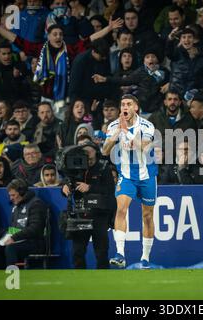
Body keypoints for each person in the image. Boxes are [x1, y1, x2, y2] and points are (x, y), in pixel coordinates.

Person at [102, 94, 157, 269]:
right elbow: (104, 151)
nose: (125, 107)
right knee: (121, 209)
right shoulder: (113, 126)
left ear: (136, 108)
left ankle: (145, 257)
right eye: (123, 104)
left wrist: (126, 132)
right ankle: (120, 254)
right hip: (126, 175)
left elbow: (146, 146)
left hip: (147, 175)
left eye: (129, 104)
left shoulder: (147, 125)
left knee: (147, 216)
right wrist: (117, 132)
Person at [62, 141, 115, 269]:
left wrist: (90, 187)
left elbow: (109, 190)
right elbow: (69, 182)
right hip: (81, 214)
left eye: (88, 151)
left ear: (95, 152)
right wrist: (64, 188)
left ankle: (103, 280)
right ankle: (79, 280)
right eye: (83, 151)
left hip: (99, 215)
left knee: (101, 252)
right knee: (77, 251)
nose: (85, 153)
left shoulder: (104, 167)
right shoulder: (76, 166)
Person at [0, 179, 46, 269]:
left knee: (10, 248)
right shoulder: (16, 206)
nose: (11, 198)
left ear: (22, 193)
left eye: (13, 195)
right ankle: (0, 275)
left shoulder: (36, 204)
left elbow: (35, 228)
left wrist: (14, 238)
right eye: (10, 195)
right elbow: (13, 228)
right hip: (18, 240)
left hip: (34, 242)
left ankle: (13, 279)